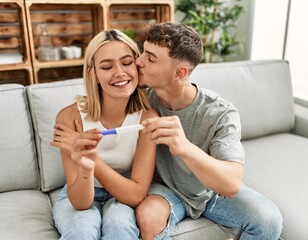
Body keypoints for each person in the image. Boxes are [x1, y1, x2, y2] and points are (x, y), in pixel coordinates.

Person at [134, 22, 283, 240]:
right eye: (142, 52)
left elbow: (232, 183)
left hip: (211, 192)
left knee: (268, 221)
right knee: (148, 216)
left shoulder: (220, 113)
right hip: (164, 189)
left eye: (151, 57)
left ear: (180, 72)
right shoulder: (141, 101)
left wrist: (184, 147)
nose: (138, 62)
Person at [50, 29, 158, 239]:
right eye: (107, 67)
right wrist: (85, 164)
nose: (119, 72)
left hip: (123, 194)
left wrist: (92, 159)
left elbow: (136, 195)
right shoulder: (69, 119)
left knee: (119, 226)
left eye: (127, 63)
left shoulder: (147, 119)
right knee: (81, 228)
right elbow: (81, 204)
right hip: (80, 193)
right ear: (93, 74)